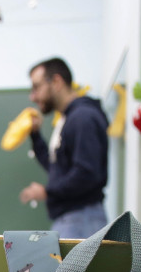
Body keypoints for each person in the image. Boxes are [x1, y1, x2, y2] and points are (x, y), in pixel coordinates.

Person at [19, 57, 109, 240]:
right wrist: (35, 136)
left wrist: (47, 192)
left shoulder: (82, 118)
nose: (33, 96)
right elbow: (57, 168)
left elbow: (86, 173)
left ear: (57, 82)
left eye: (37, 87)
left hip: (81, 219)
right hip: (74, 219)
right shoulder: (68, 120)